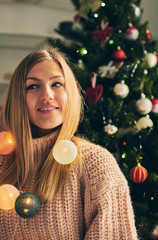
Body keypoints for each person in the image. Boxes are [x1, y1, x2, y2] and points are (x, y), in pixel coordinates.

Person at [0, 48, 138, 240]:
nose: (46, 94)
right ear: (18, 97)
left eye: (56, 84)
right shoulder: (3, 161)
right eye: (32, 86)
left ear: (70, 93)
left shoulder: (95, 164)